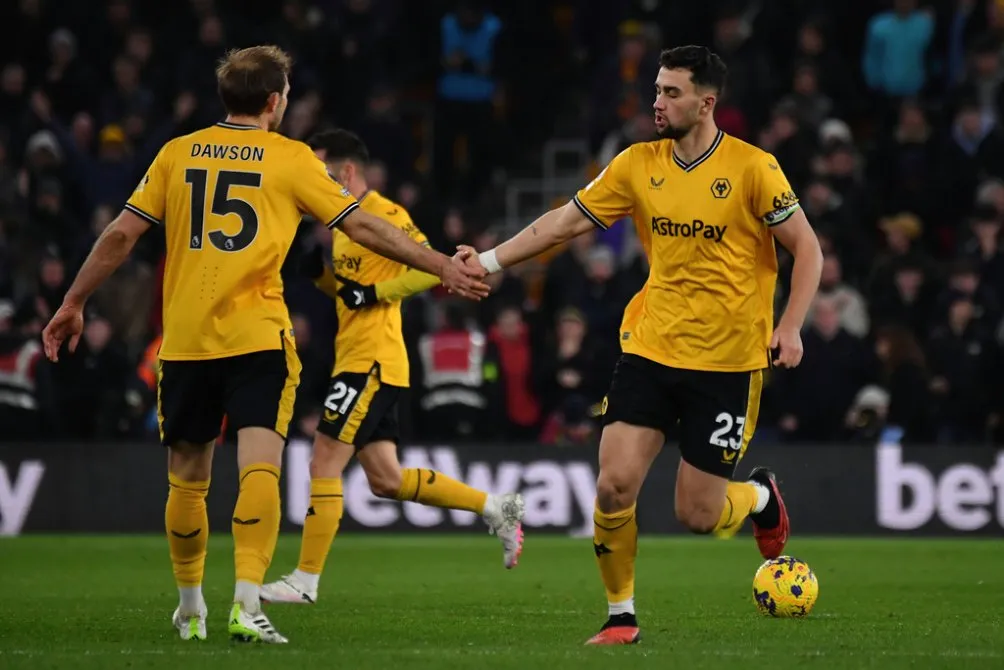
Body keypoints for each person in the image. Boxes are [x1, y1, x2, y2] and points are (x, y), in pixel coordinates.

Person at [40, 46, 489, 645]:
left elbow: (122, 234)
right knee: (260, 468)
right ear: (276, 102)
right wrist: (441, 264)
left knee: (187, 479)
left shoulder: (177, 153)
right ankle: (246, 603)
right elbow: (362, 225)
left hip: (186, 342)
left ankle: (190, 607)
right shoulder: (291, 158)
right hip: (257, 339)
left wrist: (73, 302)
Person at [453, 45, 823, 645]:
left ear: (706, 103)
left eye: (671, 93)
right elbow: (563, 222)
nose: (657, 102)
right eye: (656, 90)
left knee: (697, 515)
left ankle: (758, 497)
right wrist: (490, 261)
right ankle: (621, 616)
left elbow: (807, 249)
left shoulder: (755, 169)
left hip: (728, 362)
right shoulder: (635, 164)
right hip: (650, 348)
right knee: (613, 484)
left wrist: (791, 325)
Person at [259, 129, 525, 606]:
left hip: (372, 360)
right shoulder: (341, 226)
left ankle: (305, 579)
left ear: (346, 172)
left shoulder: (384, 215)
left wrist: (376, 293)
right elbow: (349, 296)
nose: (313, 181)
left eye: (321, 171)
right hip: (360, 357)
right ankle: (495, 507)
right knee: (385, 479)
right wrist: (318, 274)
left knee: (323, 458)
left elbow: (431, 267)